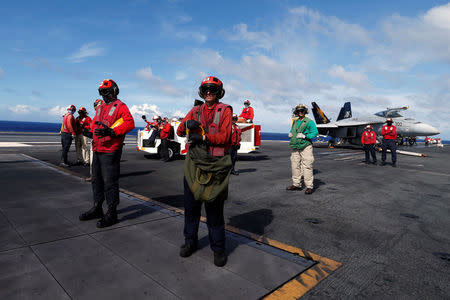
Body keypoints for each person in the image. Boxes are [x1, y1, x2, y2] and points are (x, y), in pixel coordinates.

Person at [176, 75, 232, 267]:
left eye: (213, 90)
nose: (209, 93)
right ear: (202, 92)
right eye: (206, 89)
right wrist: (186, 125)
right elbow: (179, 131)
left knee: (214, 212)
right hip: (194, 165)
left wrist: (205, 138)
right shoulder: (195, 110)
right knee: (191, 209)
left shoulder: (225, 110)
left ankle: (218, 249)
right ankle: (190, 242)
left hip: (215, 166)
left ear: (219, 92)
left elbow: (226, 136)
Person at [79, 79, 135, 228]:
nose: (104, 95)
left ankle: (112, 212)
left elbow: (130, 123)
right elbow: (95, 125)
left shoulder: (120, 106)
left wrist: (112, 131)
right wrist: (89, 132)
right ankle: (98, 207)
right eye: (102, 92)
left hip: (110, 150)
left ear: (114, 91)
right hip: (97, 149)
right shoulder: (100, 108)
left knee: (110, 182)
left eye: (106, 91)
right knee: (96, 180)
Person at [286, 104, 319, 194]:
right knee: (295, 166)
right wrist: (291, 134)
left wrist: (305, 136)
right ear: (296, 112)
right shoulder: (295, 122)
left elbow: (315, 132)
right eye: (299, 111)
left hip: (306, 146)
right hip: (295, 146)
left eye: (302, 111)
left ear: (305, 112)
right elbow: (293, 130)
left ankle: (309, 186)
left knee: (307, 166)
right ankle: (296, 184)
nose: (300, 112)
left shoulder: (309, 122)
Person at [85, 99, 104, 182]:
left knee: (95, 161)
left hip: (98, 141)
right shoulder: (98, 116)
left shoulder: (99, 116)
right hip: (96, 140)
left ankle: (94, 176)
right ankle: (96, 175)